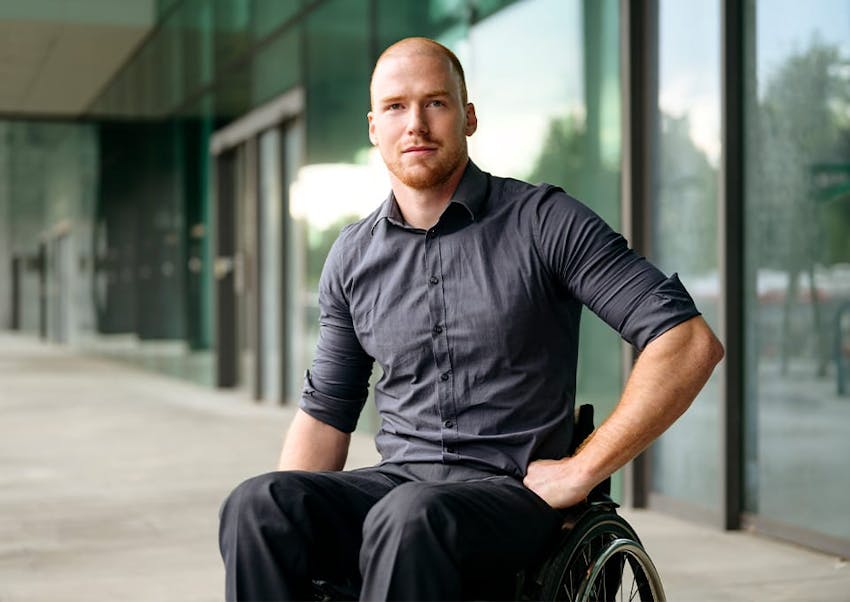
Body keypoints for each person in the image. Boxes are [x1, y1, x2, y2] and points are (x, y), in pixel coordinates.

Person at [218, 37, 724, 601]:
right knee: (259, 505)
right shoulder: (352, 256)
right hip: (400, 487)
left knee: (410, 516)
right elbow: (327, 412)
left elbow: (687, 341)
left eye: (435, 102)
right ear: (373, 128)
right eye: (395, 107)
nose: (415, 123)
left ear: (469, 117)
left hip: (514, 495)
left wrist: (583, 470)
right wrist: (298, 520)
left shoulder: (543, 221)